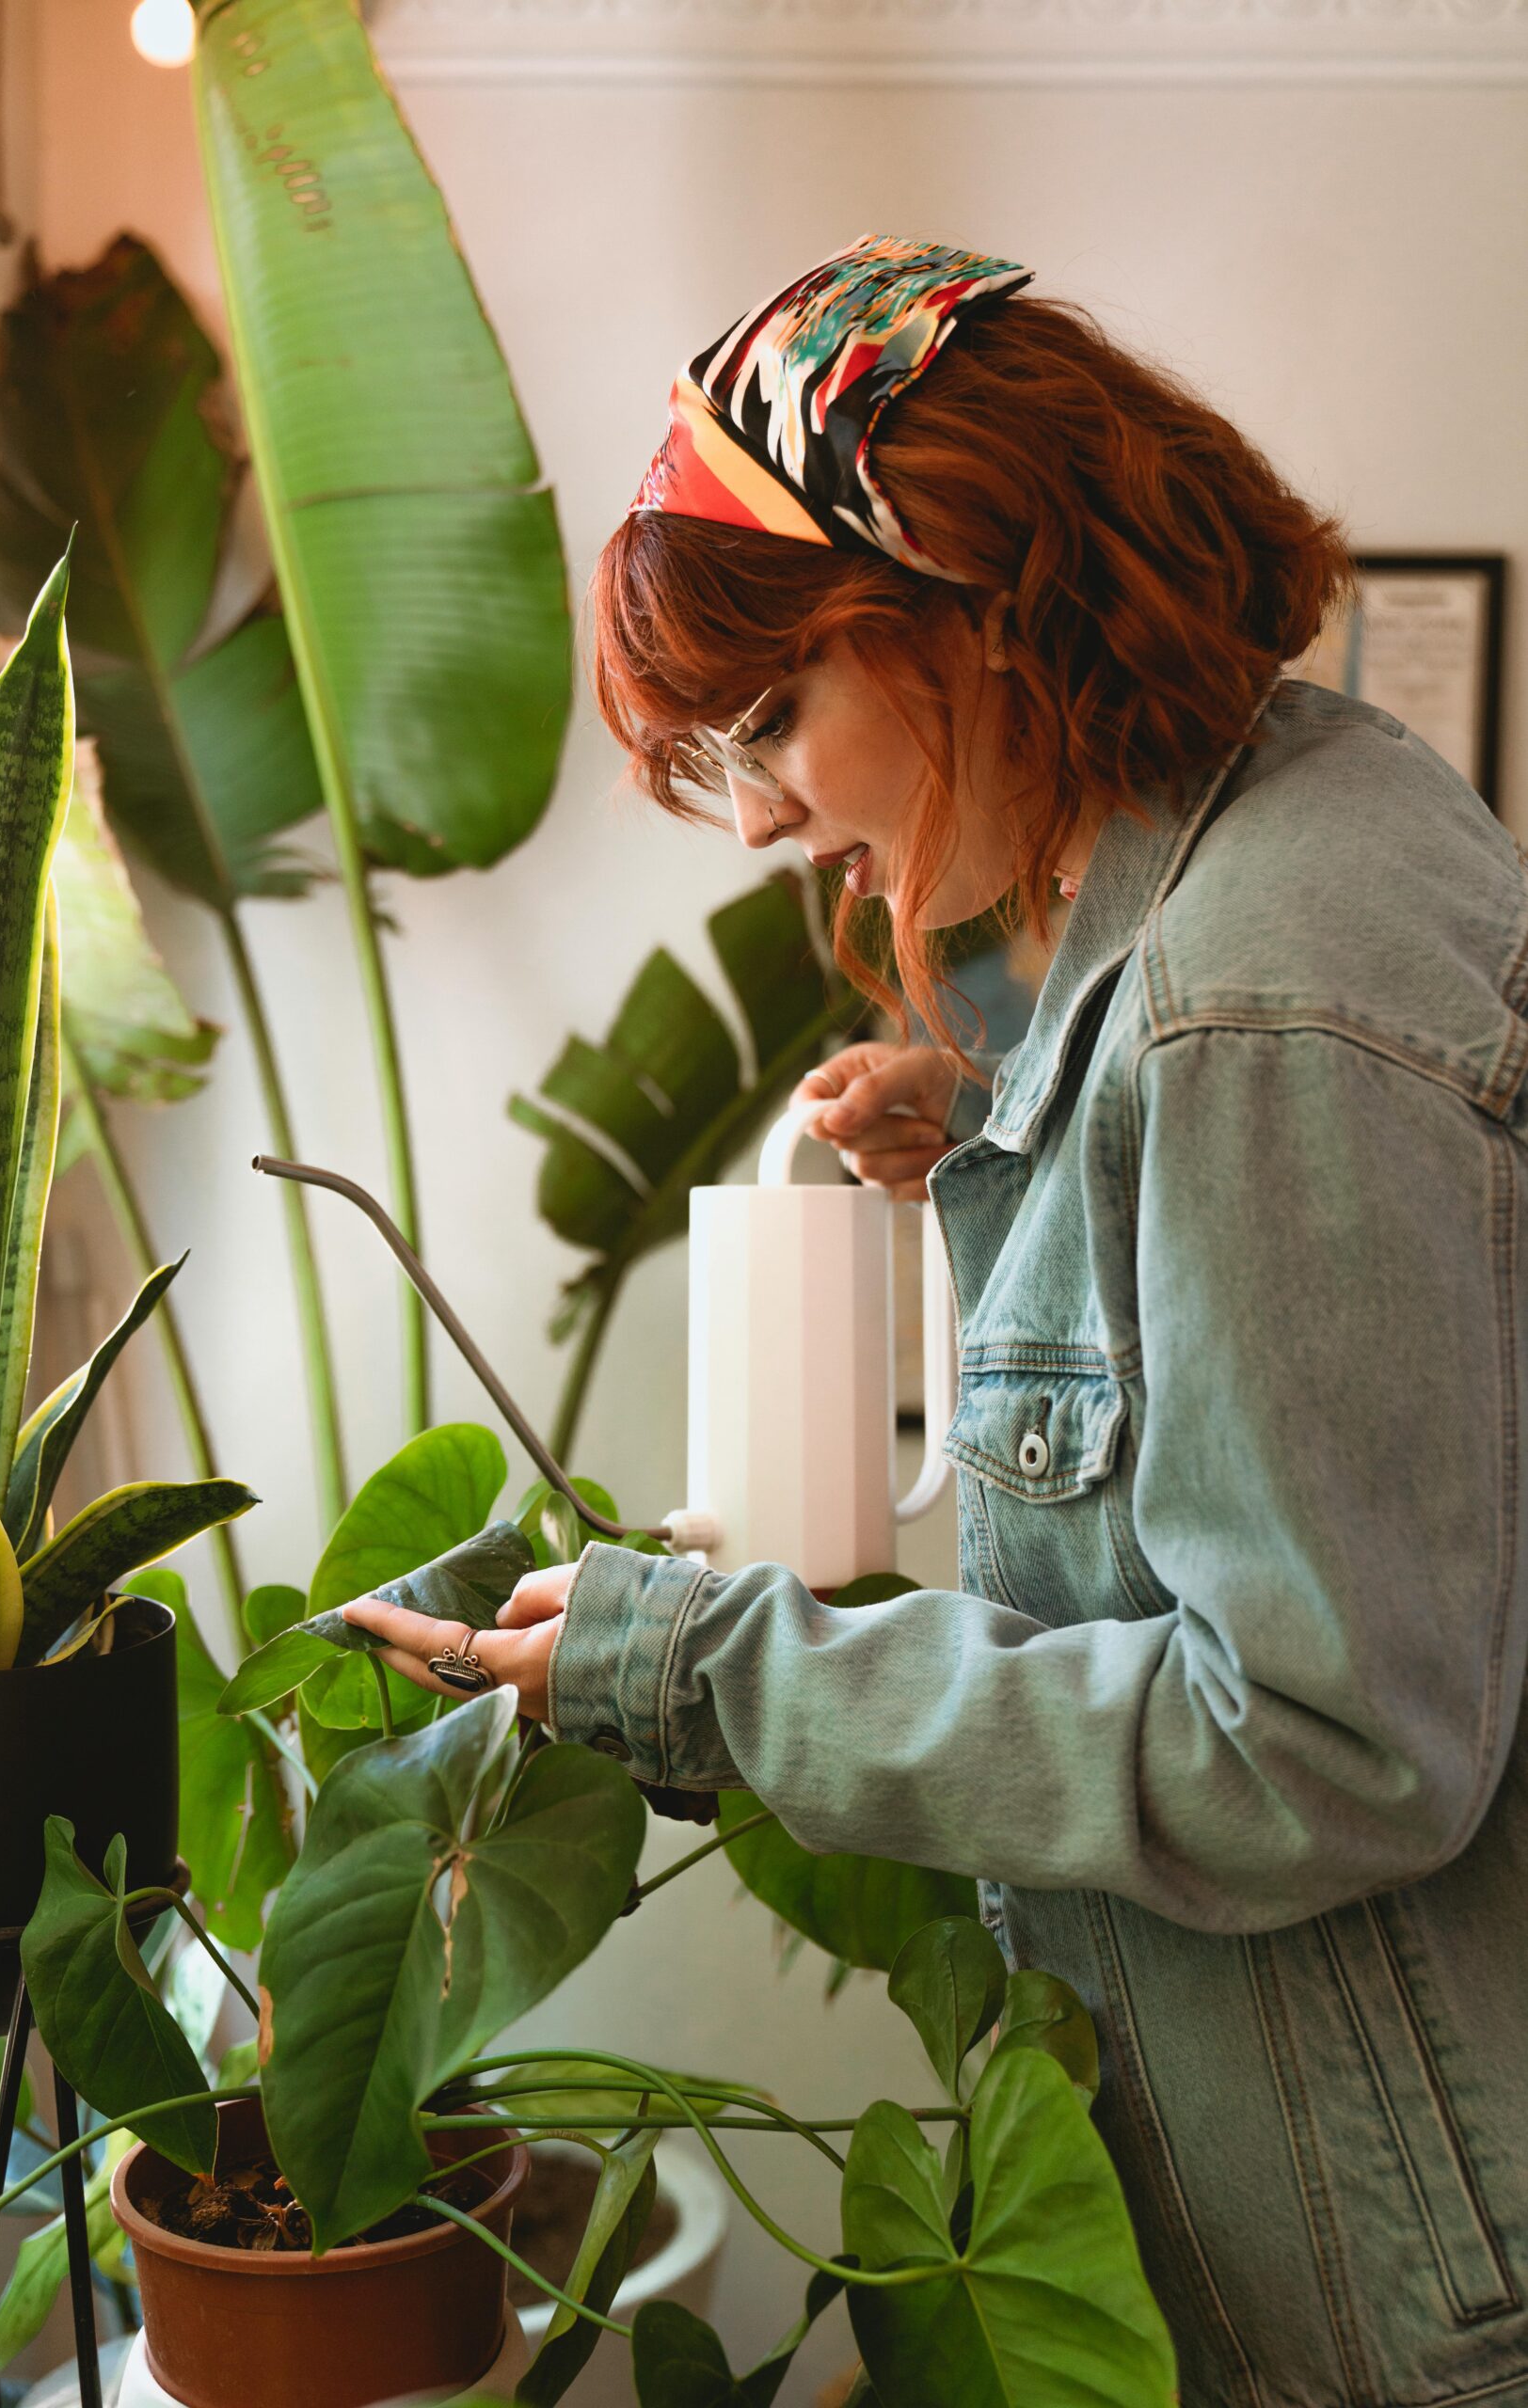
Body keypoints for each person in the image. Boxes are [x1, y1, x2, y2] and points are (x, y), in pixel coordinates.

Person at [343, 236, 1528, 2406]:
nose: (768, 811)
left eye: (771, 714)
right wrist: (1005, 1129)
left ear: (970, 591)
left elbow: (1321, 1745)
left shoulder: (1244, 999)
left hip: (1382, 2280)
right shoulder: (1267, 849)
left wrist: (706, 1667)